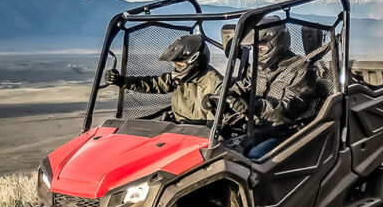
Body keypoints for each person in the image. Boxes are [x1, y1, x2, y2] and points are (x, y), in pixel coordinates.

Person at [227, 16, 317, 159]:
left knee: (254, 156)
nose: (257, 51)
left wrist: (256, 106)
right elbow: (243, 86)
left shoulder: (302, 69)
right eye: (255, 47)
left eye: (261, 47)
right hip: (258, 127)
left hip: (286, 131)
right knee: (223, 145)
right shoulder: (257, 68)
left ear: (277, 43)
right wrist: (226, 96)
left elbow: (291, 109)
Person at [105, 34, 222, 124]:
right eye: (174, 64)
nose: (176, 67)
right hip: (180, 130)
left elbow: (214, 128)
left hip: (200, 138)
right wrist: (122, 81)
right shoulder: (180, 79)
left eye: (179, 64)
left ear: (195, 62)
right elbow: (154, 84)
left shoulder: (216, 86)